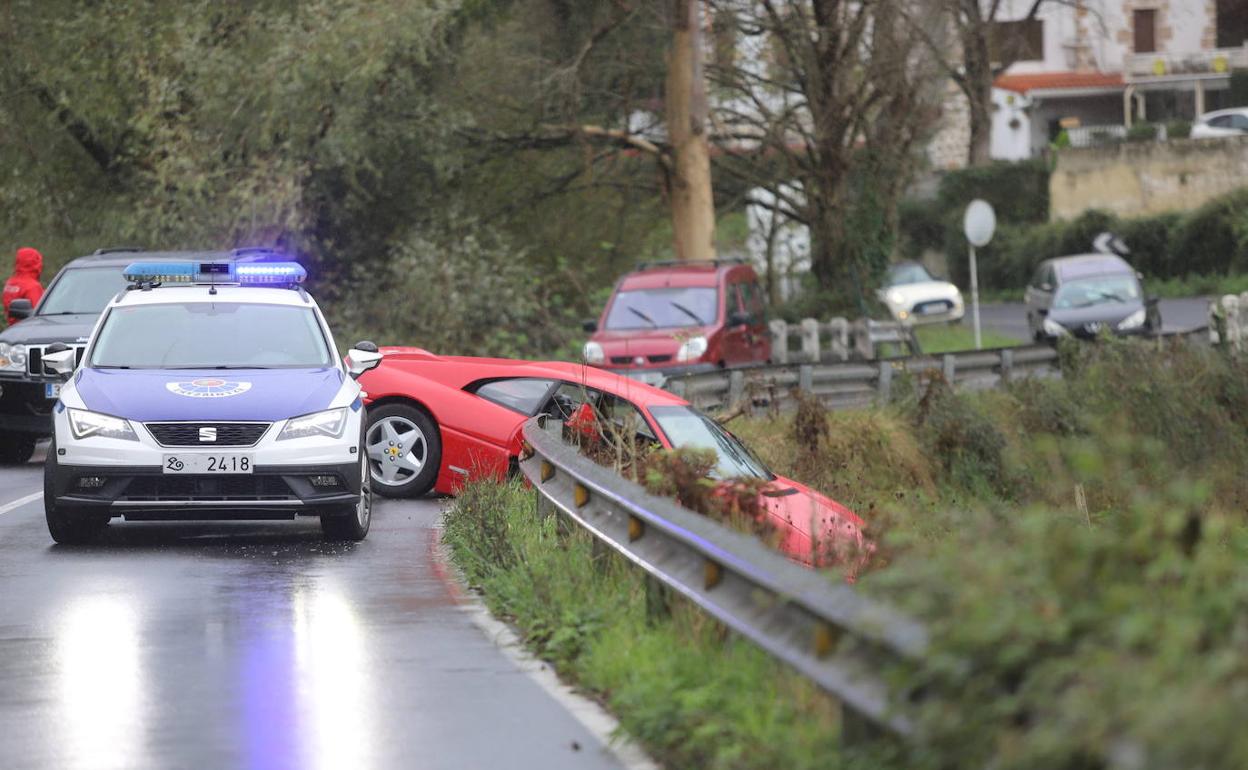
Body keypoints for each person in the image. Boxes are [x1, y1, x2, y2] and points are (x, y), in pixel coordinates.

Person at [3, 247, 44, 326]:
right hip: (28, 330)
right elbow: (39, 316)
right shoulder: (33, 286)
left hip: (11, 329)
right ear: (36, 263)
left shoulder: (10, 283)